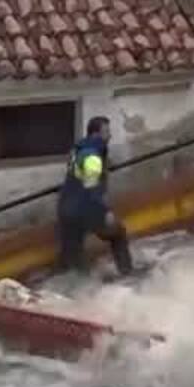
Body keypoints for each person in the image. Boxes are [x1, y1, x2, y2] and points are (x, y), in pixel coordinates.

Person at [56, 116, 134, 276]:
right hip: (85, 208)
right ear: (95, 134)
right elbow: (92, 189)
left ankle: (72, 286)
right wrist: (106, 211)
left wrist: (104, 163)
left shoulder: (79, 149)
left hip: (66, 207)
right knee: (118, 233)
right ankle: (127, 273)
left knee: (72, 254)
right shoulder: (93, 158)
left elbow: (77, 169)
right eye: (106, 132)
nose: (110, 135)